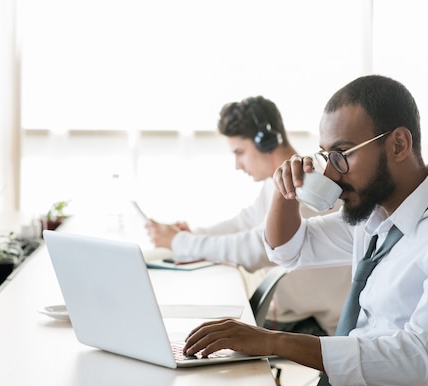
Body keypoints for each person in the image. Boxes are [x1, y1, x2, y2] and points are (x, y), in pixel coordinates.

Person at [183, 75, 428, 386]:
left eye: (342, 155)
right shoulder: (375, 217)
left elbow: (417, 360)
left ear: (398, 144)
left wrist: (270, 341)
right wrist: (285, 190)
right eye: (326, 157)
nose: (332, 174)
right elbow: (289, 250)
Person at [146, 96, 351, 336]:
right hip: (301, 313)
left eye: (240, 152)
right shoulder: (277, 182)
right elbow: (243, 222)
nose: (238, 165)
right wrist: (191, 234)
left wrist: (179, 242)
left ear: (265, 142)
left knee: (207, 328)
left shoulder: (305, 183)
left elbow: (254, 248)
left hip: (318, 322)